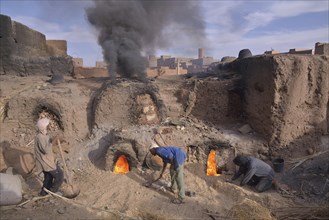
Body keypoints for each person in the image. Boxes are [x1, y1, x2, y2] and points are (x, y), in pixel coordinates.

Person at [34, 118, 64, 196]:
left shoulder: (45, 135)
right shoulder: (40, 137)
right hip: (45, 162)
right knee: (59, 175)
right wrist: (53, 141)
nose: (50, 126)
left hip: (47, 160)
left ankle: (44, 192)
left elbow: (48, 142)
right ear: (44, 128)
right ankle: (53, 191)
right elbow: (45, 150)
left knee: (48, 178)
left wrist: (54, 138)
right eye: (48, 125)